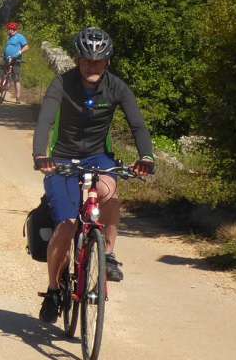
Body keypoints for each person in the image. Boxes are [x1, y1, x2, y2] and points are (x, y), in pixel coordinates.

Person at [33, 27, 156, 324]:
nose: (92, 65)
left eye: (98, 61)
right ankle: (53, 289)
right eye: (86, 60)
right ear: (77, 60)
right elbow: (46, 120)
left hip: (98, 156)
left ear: (108, 62)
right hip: (61, 158)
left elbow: (138, 125)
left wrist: (146, 156)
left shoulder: (117, 88)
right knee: (67, 223)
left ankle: (108, 254)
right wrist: (41, 155)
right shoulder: (62, 84)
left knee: (110, 193)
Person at [0, 22, 30, 102]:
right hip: (6, 58)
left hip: (16, 60)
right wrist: (4, 53)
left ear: (15, 30)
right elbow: (8, 47)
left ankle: (18, 98)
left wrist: (19, 52)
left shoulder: (20, 37)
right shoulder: (9, 37)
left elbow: (26, 47)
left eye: (12, 29)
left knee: (16, 79)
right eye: (9, 29)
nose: (10, 31)